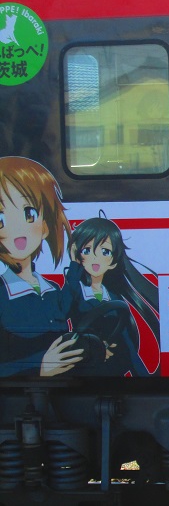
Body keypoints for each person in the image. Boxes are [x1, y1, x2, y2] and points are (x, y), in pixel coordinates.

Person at [0, 156, 82, 376]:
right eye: (1, 219)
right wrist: (41, 368)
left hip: (60, 384)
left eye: (29, 214)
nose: (17, 229)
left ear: (45, 227)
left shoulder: (50, 289)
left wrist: (75, 265)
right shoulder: (2, 293)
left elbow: (66, 307)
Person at [63, 213, 160, 375]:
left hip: (115, 368)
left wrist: (143, 376)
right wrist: (74, 265)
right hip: (85, 366)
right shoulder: (76, 290)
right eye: (87, 250)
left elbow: (127, 342)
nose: (95, 258)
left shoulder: (113, 296)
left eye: (105, 251)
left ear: (114, 262)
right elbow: (62, 311)